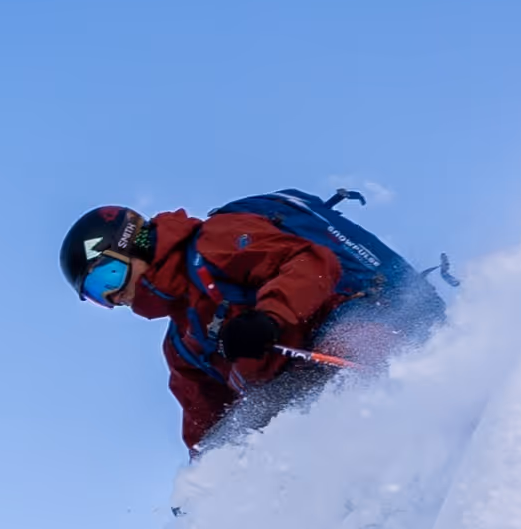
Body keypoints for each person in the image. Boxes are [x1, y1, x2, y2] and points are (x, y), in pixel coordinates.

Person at [60, 192, 443, 450]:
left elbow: (312, 263)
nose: (113, 296)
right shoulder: (182, 346)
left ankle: (437, 417)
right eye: (96, 294)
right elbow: (208, 427)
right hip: (299, 398)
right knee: (248, 430)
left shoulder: (214, 243)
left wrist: (268, 318)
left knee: (350, 364)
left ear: (133, 245)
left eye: (106, 277)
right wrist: (202, 488)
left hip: (356, 325)